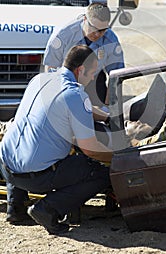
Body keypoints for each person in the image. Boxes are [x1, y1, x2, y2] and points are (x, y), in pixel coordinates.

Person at [0, 45, 112, 235]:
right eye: (93, 73)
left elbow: (72, 105)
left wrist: (105, 117)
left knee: (26, 142)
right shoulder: (75, 94)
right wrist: (116, 156)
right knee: (98, 172)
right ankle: (47, 209)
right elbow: (90, 149)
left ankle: (15, 207)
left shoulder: (40, 80)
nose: (93, 78)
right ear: (81, 70)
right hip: (35, 177)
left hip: (5, 167)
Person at [43, 2, 124, 107]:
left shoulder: (110, 40)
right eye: (94, 28)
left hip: (93, 80)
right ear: (85, 19)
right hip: (65, 82)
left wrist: (107, 107)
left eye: (102, 30)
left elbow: (116, 76)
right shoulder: (63, 36)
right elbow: (51, 69)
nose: (97, 34)